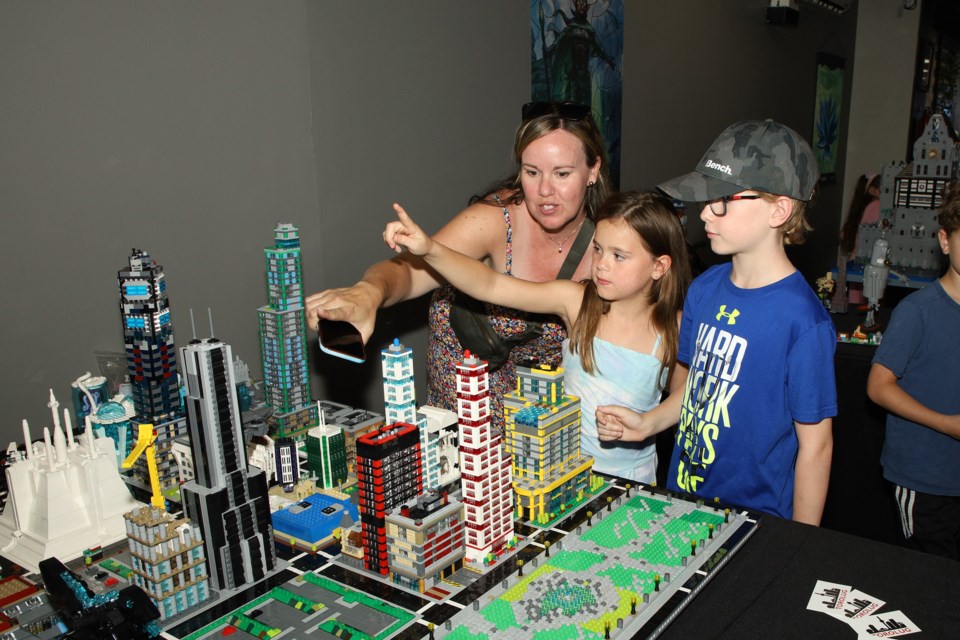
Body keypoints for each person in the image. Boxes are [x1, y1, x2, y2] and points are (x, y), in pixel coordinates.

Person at [306, 103, 610, 432]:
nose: (544, 190)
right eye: (531, 172)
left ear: (593, 170)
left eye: (562, 173)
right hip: (456, 423)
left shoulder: (610, 248)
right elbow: (410, 271)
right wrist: (368, 293)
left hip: (539, 436)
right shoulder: (498, 219)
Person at [595, 120, 836, 525]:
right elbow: (695, 383)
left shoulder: (802, 321)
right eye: (706, 198)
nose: (705, 211)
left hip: (755, 519)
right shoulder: (706, 287)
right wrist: (647, 423)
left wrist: (802, 545)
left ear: (779, 209)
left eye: (722, 198)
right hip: (683, 500)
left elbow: (817, 447)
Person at [383, 190, 691, 483]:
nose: (601, 264)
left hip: (633, 479)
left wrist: (649, 423)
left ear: (659, 266)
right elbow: (490, 285)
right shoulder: (577, 303)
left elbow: (688, 396)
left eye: (619, 256)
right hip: (562, 472)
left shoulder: (675, 329)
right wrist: (431, 250)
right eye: (598, 249)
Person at [866, 181, 960, 560]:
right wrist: (945, 423)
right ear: (945, 240)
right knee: (932, 580)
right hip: (927, 478)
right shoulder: (918, 311)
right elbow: (878, 386)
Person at [836, 172, 881, 307]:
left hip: (856, 259)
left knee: (856, 300)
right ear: (874, 190)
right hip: (866, 262)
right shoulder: (876, 206)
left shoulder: (862, 206)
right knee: (867, 301)